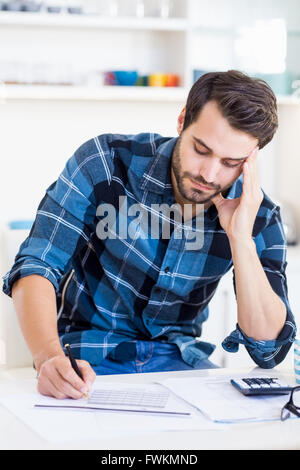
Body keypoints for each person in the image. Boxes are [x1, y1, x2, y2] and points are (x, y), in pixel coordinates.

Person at [2, 70, 296, 400]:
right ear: (183, 120)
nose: (209, 174)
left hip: (181, 370)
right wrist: (49, 358)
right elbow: (37, 265)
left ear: (250, 161)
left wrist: (240, 237)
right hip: (89, 362)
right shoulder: (106, 162)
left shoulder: (260, 214)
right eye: (201, 149)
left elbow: (268, 350)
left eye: (231, 162)